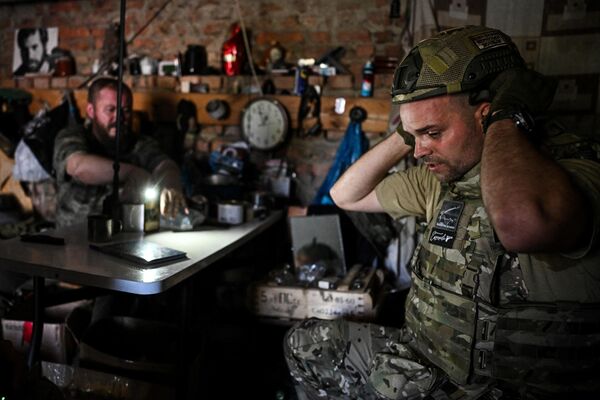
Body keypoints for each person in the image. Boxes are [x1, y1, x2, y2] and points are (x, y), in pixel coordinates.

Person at [284, 25, 600, 399]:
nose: (419, 152)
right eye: (413, 137)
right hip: (429, 370)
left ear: (487, 115)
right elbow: (346, 194)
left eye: (433, 133)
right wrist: (412, 131)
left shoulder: (575, 169)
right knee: (306, 342)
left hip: (498, 390)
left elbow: (521, 225)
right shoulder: (445, 180)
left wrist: (507, 115)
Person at [53, 77, 187, 228]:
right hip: (73, 238)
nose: (119, 118)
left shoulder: (139, 143)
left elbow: (165, 164)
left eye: (126, 111)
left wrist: (170, 185)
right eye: (110, 110)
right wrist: (132, 173)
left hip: (123, 237)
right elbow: (77, 166)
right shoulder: (72, 136)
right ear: (91, 111)